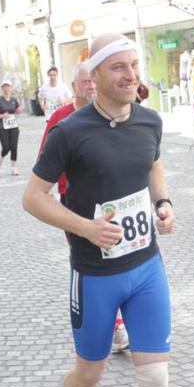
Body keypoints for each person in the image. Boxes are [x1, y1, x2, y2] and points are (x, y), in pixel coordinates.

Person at [22, 32, 194, 387]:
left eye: (134, 65)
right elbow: (32, 198)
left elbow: (153, 165)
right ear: (93, 76)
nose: (130, 75)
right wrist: (85, 227)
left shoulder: (150, 120)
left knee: (155, 377)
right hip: (95, 274)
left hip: (146, 268)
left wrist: (164, 203)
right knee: (91, 371)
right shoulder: (69, 133)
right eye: (118, 67)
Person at [37, 62, 130, 354]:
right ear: (74, 86)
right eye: (85, 82)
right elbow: (43, 165)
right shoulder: (61, 120)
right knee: (92, 259)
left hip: (113, 197)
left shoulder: (111, 113)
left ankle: (121, 321)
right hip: (75, 201)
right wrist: (49, 197)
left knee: (120, 254)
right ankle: (102, 322)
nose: (90, 85)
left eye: (93, 80)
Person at [0, 80, 24, 176]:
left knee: (14, 147)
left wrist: (20, 110)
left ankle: (14, 168)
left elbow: (17, 110)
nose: (6, 88)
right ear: (2, 88)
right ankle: (1, 158)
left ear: (10, 88)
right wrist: (2, 116)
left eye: (8, 86)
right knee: (6, 147)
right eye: (4, 86)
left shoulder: (14, 99)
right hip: (3, 127)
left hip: (14, 126)